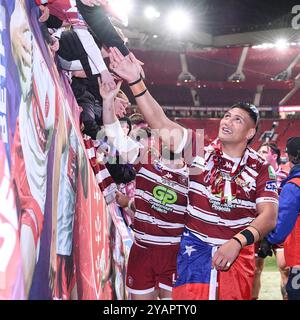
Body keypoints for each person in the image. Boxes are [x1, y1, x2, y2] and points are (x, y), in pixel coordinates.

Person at [107, 47, 279, 300]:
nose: (227, 122)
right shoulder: (200, 154)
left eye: (237, 120)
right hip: (193, 252)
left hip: (235, 255)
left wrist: (237, 242)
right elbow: (160, 121)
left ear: (251, 133)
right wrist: (135, 81)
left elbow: (269, 217)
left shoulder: (261, 167)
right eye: (227, 116)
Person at [100, 81, 189, 300]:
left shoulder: (195, 177)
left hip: (175, 253)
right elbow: (114, 136)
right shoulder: (146, 160)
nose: (169, 141)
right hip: (142, 252)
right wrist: (108, 100)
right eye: (166, 136)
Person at [261, 137, 300, 300]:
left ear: (290, 157)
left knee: (295, 292)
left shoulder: (294, 185)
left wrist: (268, 240)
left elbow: (283, 220)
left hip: (299, 257)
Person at [252, 143, 289, 300]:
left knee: (285, 268)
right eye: (258, 151)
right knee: (254, 269)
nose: (259, 154)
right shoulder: (252, 177)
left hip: (279, 228)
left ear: (274, 156)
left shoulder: (286, 178)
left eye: (264, 152)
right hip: (259, 227)